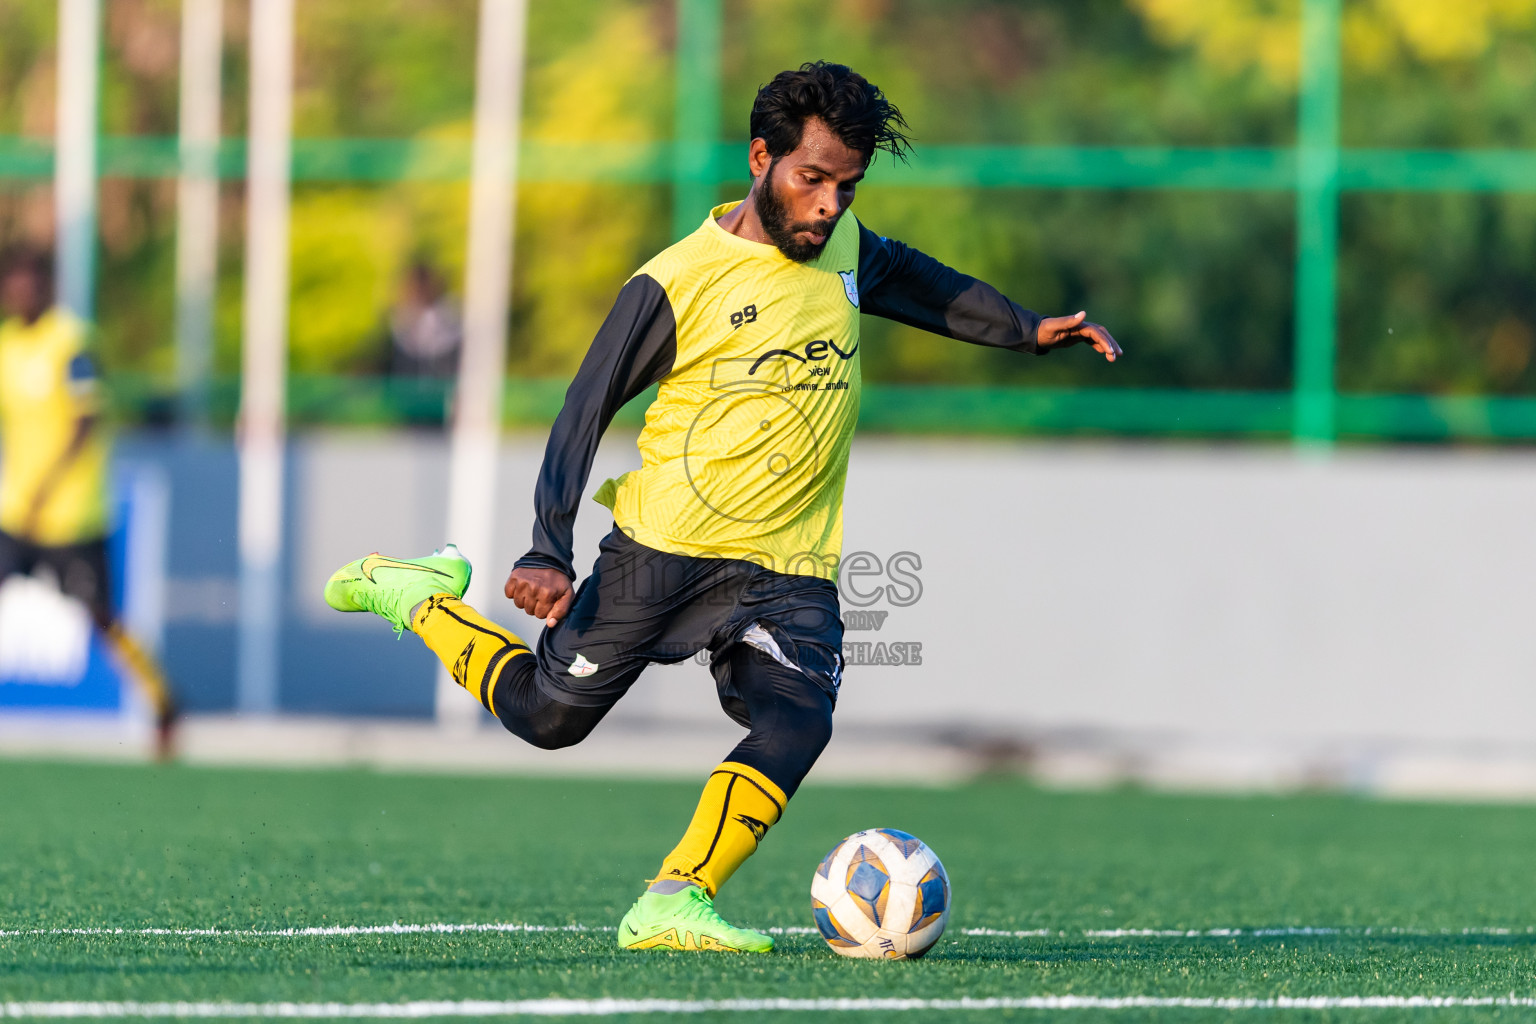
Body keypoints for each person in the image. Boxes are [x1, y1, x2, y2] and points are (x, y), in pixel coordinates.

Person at [325, 61, 1120, 952]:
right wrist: (549, 548)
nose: (827, 204)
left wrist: (1027, 328)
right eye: (811, 178)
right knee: (548, 719)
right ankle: (417, 595)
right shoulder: (677, 281)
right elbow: (585, 409)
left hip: (790, 564)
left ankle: (674, 895)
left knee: (798, 717)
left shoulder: (851, 249)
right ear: (760, 158)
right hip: (663, 548)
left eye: (846, 186)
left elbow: (929, 287)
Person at [0, 246, 179, 758]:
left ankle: (164, 701)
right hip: (16, 512)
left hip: (71, 514)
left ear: (47, 287)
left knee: (102, 618)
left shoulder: (72, 344)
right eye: (13, 282)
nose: (20, 292)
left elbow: (87, 419)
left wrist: (49, 483)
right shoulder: (8, 344)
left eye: (30, 282)